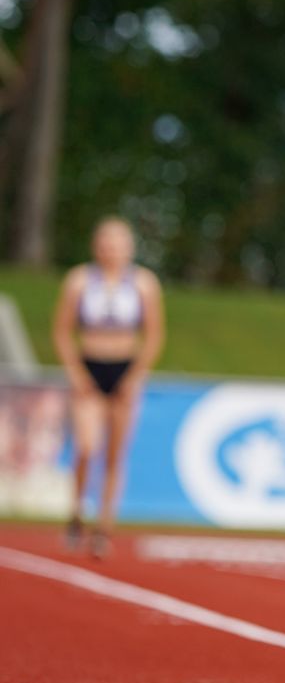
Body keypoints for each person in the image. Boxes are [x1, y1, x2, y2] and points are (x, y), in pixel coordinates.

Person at [51, 217, 165, 557]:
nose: (111, 250)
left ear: (128, 248)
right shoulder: (80, 280)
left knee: (116, 454)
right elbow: (61, 330)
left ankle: (104, 528)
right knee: (87, 446)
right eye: (105, 243)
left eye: (117, 243)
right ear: (96, 246)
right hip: (90, 368)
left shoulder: (144, 283)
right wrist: (75, 372)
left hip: (124, 371)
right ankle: (76, 512)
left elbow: (154, 334)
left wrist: (135, 376)